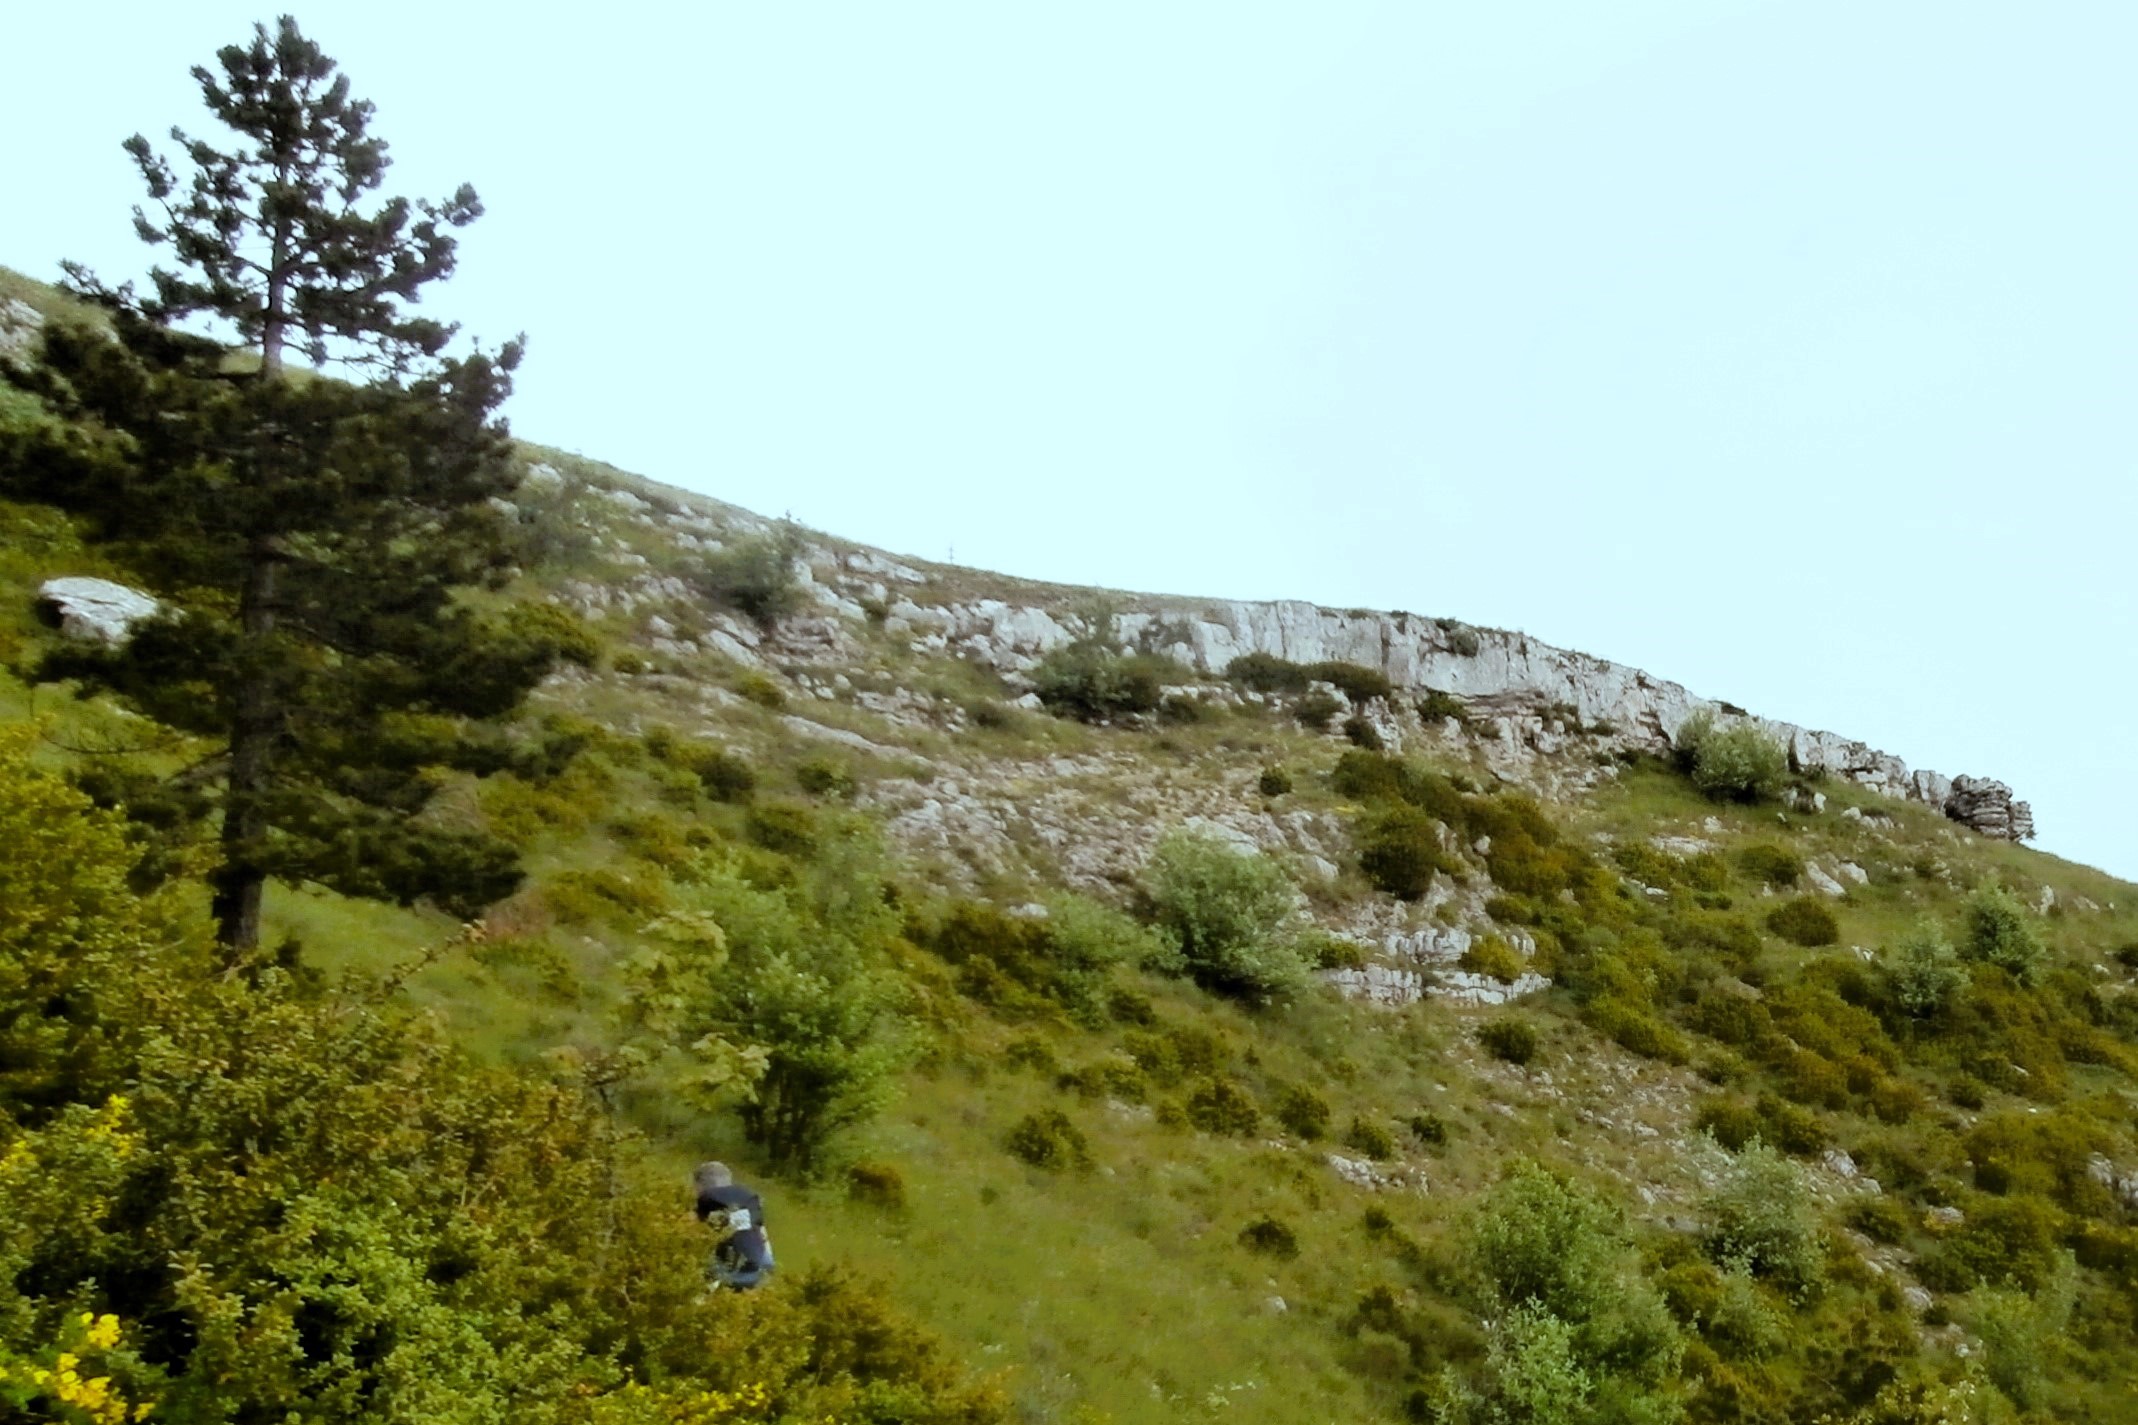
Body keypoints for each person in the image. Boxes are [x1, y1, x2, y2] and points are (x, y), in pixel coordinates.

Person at [693, 1160, 774, 1290]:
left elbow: (692, 1236)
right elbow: (762, 1236)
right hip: (759, 1270)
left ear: (700, 1185)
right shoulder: (748, 1198)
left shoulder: (706, 1199)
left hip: (728, 1273)